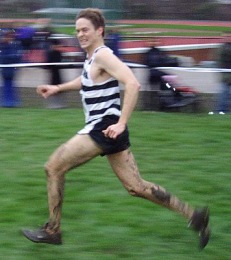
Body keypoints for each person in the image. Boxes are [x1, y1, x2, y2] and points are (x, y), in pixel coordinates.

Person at [22, 8, 210, 249]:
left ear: (100, 30)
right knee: (136, 187)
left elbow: (133, 83)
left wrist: (121, 123)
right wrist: (58, 88)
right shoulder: (92, 58)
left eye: (85, 30)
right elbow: (87, 80)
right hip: (108, 130)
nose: (80, 34)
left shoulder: (103, 55)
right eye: (77, 30)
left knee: (53, 167)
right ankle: (195, 216)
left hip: (104, 128)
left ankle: (52, 230)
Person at [208, 32, 231, 115]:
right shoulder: (222, 48)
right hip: (225, 74)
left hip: (225, 73)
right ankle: (221, 109)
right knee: (224, 92)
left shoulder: (221, 48)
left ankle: (221, 109)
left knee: (224, 92)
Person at [0, 28, 22, 107]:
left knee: (11, 85)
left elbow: (18, 57)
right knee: (7, 85)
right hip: (6, 69)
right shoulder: (3, 45)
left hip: (12, 68)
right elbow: (4, 57)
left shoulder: (13, 45)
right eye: (9, 36)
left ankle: (12, 102)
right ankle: (7, 102)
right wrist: (14, 57)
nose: (11, 38)